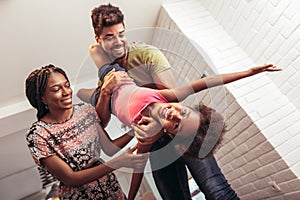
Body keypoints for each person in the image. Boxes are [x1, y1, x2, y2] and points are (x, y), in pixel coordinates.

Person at [76, 3, 279, 200]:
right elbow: (103, 117)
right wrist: (105, 93)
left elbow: (193, 87)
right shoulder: (110, 75)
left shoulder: (147, 56)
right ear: (100, 38)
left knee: (216, 190)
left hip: (186, 133)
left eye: (121, 34)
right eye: (109, 37)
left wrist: (249, 73)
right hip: (157, 138)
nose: (118, 41)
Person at [25, 64, 148, 200]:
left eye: (67, 85)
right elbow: (71, 179)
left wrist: (135, 130)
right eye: (56, 89)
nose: (66, 92)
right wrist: (118, 163)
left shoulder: (85, 110)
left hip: (112, 190)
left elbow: (109, 148)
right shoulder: (38, 135)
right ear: (42, 98)